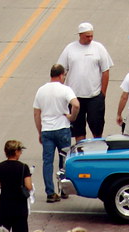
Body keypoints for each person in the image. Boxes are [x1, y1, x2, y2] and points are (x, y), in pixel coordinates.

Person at [57, 23, 113, 142]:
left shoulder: (99, 48)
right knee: (78, 130)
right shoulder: (70, 49)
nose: (90, 38)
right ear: (80, 35)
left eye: (91, 36)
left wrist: (102, 94)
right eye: (87, 36)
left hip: (94, 96)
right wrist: (62, 91)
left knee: (97, 127)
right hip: (75, 98)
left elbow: (105, 71)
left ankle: (97, 151)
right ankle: (81, 152)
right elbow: (62, 71)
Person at [33, 64, 79, 202]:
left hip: (47, 129)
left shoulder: (41, 90)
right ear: (61, 75)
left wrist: (39, 131)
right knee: (63, 160)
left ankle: (50, 192)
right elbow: (76, 104)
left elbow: (36, 113)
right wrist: (72, 117)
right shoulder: (65, 89)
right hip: (62, 128)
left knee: (47, 162)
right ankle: (64, 189)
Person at [0, 140, 33, 232]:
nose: (21, 153)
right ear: (16, 152)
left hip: (4, 205)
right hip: (20, 206)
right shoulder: (23, 167)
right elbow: (29, 186)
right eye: (20, 151)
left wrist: (2, 185)